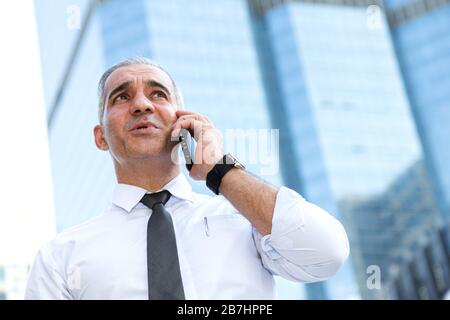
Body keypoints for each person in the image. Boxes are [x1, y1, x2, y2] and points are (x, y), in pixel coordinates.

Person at [25, 57, 349, 300]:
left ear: (183, 121)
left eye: (158, 95)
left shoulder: (245, 222)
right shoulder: (61, 257)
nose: (141, 105)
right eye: (121, 97)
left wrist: (220, 171)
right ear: (100, 137)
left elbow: (327, 253)